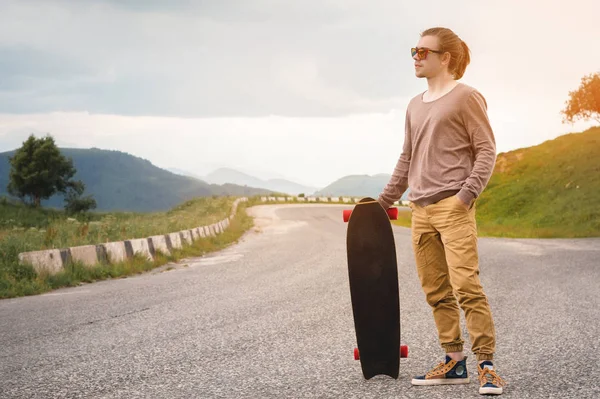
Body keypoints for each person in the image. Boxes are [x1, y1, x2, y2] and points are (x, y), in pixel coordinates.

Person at [377, 27, 507, 395]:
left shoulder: (467, 97)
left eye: (423, 51)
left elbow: (486, 150)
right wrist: (380, 204)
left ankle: (487, 365)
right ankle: (454, 362)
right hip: (420, 211)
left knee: (467, 286)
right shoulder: (414, 104)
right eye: (413, 50)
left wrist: (466, 196)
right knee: (436, 290)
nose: (416, 56)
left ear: (445, 57)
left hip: (453, 206)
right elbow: (407, 158)